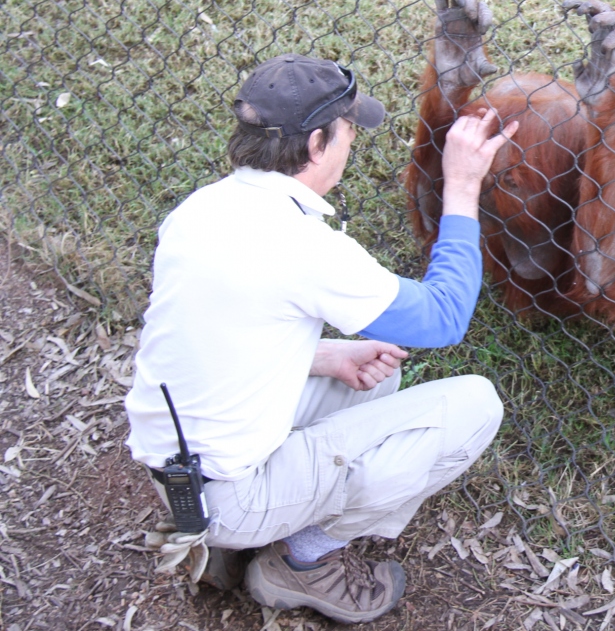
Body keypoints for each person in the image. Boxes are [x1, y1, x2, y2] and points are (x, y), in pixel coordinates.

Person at [123, 52, 516, 624]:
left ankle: (225, 537)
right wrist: (462, 183)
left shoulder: (200, 210)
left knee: (372, 381)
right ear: (315, 145)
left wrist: (325, 356)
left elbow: (213, 336)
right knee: (475, 404)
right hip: (230, 494)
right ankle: (301, 561)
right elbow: (443, 317)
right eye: (349, 129)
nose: (352, 142)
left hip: (177, 470)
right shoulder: (303, 246)